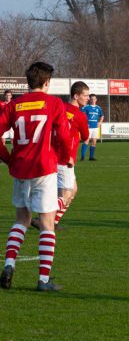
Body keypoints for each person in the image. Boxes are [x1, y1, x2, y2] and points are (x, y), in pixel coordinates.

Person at [0, 62, 72, 292]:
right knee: (47, 223)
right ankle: (43, 280)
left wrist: (8, 159)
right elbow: (63, 135)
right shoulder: (54, 103)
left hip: (21, 169)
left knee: (21, 219)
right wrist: (66, 158)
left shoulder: (14, 105)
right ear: (47, 82)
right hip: (44, 168)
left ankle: (9, 265)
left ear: (28, 81)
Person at [32, 82, 90, 229]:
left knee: (73, 190)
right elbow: (85, 137)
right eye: (85, 95)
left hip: (51, 155)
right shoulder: (80, 115)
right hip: (65, 159)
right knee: (66, 195)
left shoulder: (59, 107)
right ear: (76, 96)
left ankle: (54, 221)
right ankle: (43, 218)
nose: (88, 98)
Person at [80, 94, 104, 161]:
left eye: (94, 99)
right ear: (89, 100)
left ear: (96, 100)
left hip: (95, 128)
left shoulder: (98, 108)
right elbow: (81, 115)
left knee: (94, 142)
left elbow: (102, 116)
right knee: (86, 141)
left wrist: (100, 122)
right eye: (92, 99)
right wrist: (85, 123)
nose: (93, 100)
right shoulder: (86, 107)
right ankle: (82, 157)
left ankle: (91, 157)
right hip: (88, 127)